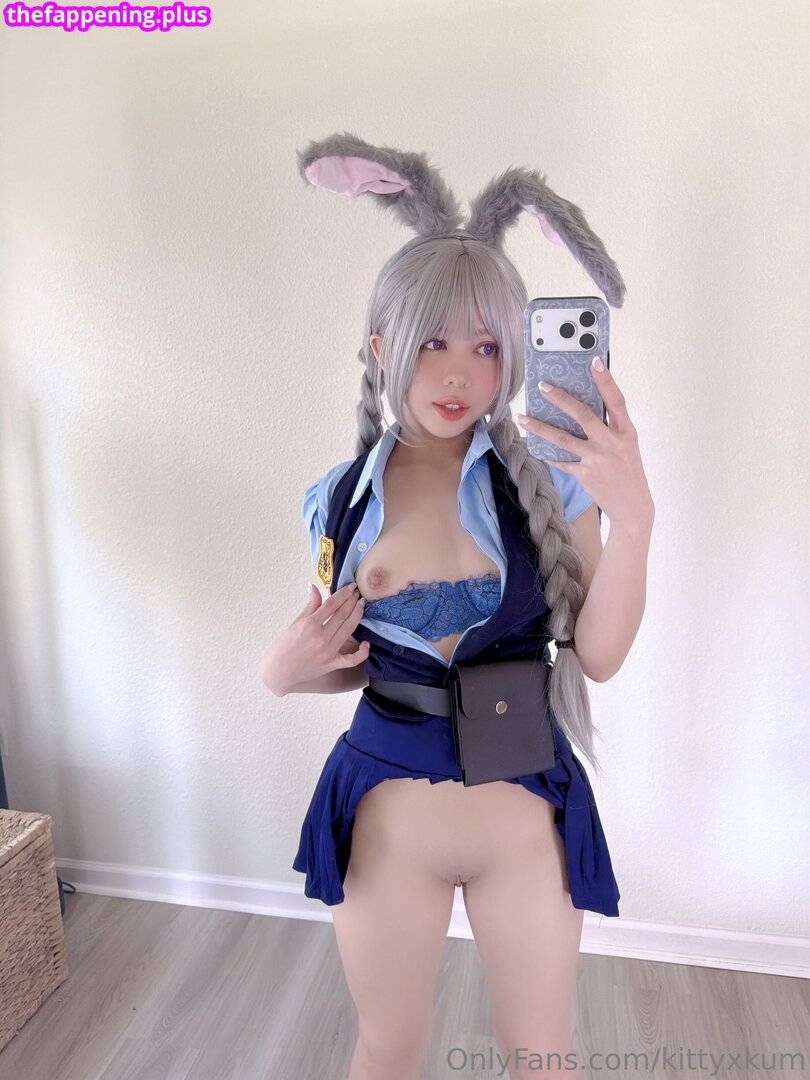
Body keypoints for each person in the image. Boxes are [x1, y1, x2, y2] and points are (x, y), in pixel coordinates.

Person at [259, 133, 655, 1080]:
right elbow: (337, 657)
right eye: (432, 342)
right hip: (387, 822)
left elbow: (598, 656)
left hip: (523, 820)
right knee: (387, 1047)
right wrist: (281, 670)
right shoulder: (339, 500)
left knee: (542, 1055)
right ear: (382, 347)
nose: (458, 374)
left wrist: (635, 515)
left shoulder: (554, 480)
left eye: (486, 346)